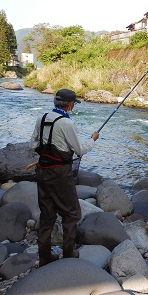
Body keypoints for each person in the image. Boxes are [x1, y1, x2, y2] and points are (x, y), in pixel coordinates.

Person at [30, 88, 99, 266]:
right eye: (74, 103)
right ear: (69, 104)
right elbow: (80, 150)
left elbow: (34, 144)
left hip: (42, 171)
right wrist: (93, 139)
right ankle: (68, 254)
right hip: (60, 174)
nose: (73, 106)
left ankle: (44, 258)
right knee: (71, 213)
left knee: (47, 215)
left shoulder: (42, 118)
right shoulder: (67, 124)